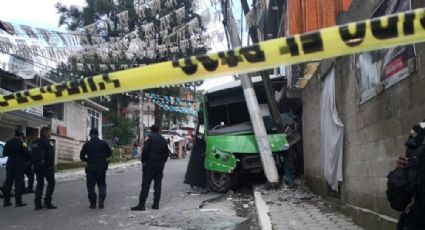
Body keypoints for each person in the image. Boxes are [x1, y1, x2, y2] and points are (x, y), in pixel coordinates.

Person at [131, 124, 169, 211]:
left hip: (150, 164)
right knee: (158, 184)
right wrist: (162, 162)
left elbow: (145, 150)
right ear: (158, 130)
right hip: (159, 165)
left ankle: (141, 205)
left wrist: (143, 161)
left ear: (151, 130)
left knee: (146, 184)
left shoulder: (149, 137)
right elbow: (167, 153)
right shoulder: (162, 139)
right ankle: (156, 204)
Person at [80, 128, 112, 209]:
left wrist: (88, 160)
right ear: (98, 134)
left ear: (90, 134)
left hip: (90, 167)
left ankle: (93, 203)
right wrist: (102, 157)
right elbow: (109, 153)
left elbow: (81, 156)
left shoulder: (87, 144)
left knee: (91, 186)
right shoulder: (103, 143)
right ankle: (101, 198)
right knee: (101, 184)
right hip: (101, 167)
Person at [3, 129, 31, 207]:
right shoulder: (22, 143)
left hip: (9, 163)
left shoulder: (8, 142)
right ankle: (18, 202)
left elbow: (4, 153)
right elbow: (27, 153)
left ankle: (6, 201)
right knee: (18, 182)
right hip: (19, 164)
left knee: (8, 182)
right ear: (21, 136)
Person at [32, 127, 57, 210]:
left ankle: (37, 204)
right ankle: (47, 202)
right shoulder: (48, 142)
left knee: (40, 184)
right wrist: (50, 165)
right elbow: (51, 154)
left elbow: (32, 153)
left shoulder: (34, 142)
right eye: (49, 132)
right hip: (46, 166)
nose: (50, 134)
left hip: (37, 166)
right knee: (51, 183)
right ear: (45, 133)